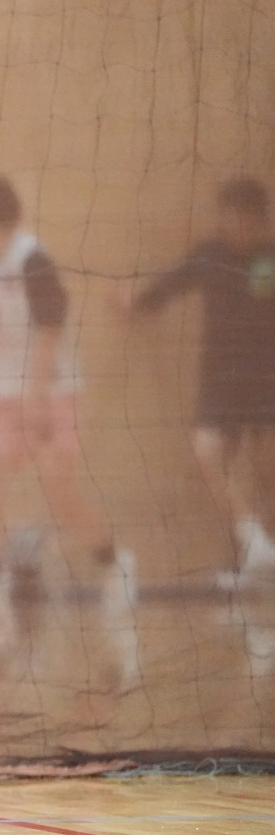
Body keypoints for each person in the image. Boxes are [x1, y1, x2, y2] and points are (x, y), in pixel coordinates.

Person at [0, 173, 136, 675]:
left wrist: (34, 395)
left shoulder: (33, 258)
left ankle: (114, 566)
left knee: (58, 489)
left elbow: (50, 328)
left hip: (49, 390)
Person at [121, 177, 275, 588]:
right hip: (220, 380)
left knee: (267, 470)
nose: (232, 224)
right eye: (227, 215)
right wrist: (135, 304)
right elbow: (170, 284)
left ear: (258, 219)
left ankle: (261, 554)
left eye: (241, 217)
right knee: (208, 453)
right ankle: (255, 541)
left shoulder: (270, 259)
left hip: (266, 377)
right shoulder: (210, 254)